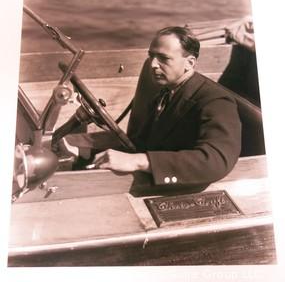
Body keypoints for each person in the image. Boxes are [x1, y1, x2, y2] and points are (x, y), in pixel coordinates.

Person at [65, 26, 242, 188]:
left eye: (164, 59)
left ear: (190, 63)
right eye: (151, 56)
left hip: (177, 188)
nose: (153, 65)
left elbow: (216, 161)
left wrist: (140, 161)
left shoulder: (216, 101)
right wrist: (82, 150)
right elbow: (143, 141)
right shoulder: (165, 90)